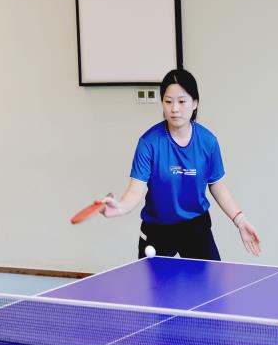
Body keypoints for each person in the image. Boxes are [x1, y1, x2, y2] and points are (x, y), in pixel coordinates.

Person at [100, 69, 261, 260]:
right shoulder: (149, 143)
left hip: (196, 228)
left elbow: (216, 186)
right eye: (168, 101)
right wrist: (120, 207)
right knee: (150, 280)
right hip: (157, 229)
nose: (174, 108)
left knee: (210, 280)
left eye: (182, 101)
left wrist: (240, 220)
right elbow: (135, 190)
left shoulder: (208, 142)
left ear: (195, 103)